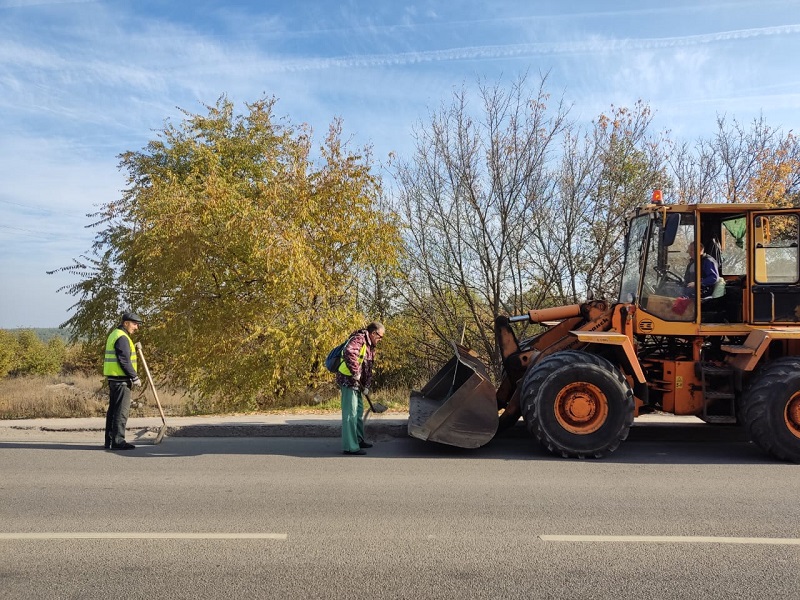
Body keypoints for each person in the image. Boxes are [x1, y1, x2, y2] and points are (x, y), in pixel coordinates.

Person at [335, 321, 385, 455]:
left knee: (358, 412)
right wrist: (356, 372)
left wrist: (366, 386)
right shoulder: (359, 338)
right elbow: (349, 352)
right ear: (374, 333)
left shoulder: (370, 345)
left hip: (357, 384)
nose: (380, 339)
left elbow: (367, 367)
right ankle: (351, 447)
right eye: (380, 336)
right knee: (350, 414)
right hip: (348, 380)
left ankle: (358, 439)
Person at [103, 312, 143, 450]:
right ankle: (118, 441)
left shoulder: (115, 334)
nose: (136, 327)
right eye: (134, 324)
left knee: (113, 411)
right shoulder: (122, 338)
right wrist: (134, 376)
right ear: (126, 323)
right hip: (121, 381)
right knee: (121, 412)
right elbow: (124, 360)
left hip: (114, 379)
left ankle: (110, 440)